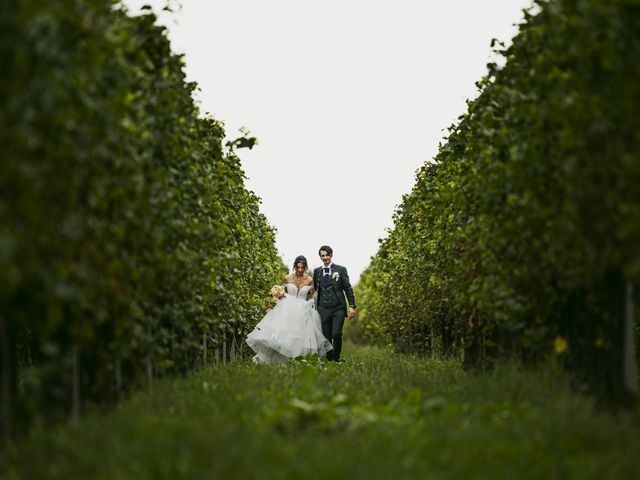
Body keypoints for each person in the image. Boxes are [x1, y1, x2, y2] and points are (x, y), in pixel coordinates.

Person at [246, 255, 332, 364]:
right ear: (294, 266)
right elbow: (284, 293)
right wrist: (277, 296)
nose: (300, 270)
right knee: (283, 334)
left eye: (302, 268)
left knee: (301, 336)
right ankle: (279, 360)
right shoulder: (287, 278)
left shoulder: (310, 280)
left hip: (303, 310)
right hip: (287, 308)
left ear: (305, 267)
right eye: (298, 267)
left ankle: (299, 360)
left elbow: (312, 295)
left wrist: (310, 303)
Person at [313, 245, 356, 362]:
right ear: (320, 257)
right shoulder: (317, 271)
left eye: (327, 255)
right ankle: (329, 359)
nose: (325, 257)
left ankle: (336, 359)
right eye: (323, 255)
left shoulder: (341, 269)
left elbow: (348, 288)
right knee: (326, 337)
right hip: (323, 308)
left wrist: (352, 306)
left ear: (331, 255)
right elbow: (313, 290)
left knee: (336, 334)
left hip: (338, 308)